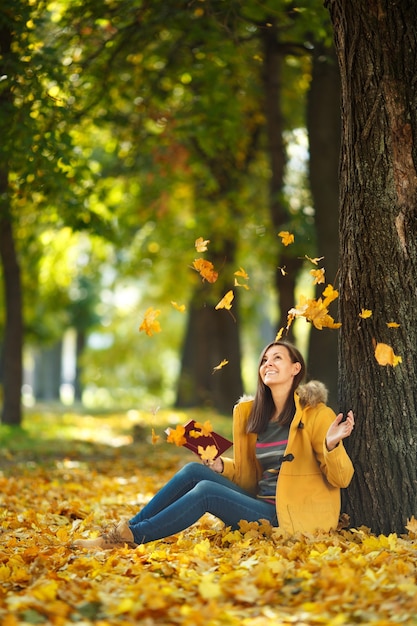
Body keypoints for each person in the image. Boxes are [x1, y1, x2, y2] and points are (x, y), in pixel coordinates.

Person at [72, 340, 354, 550]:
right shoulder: (254, 417)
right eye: (264, 359)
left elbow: (342, 478)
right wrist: (222, 466)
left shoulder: (316, 414)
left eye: (277, 358)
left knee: (206, 491)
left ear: (296, 368)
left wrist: (331, 445)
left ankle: (134, 536)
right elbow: (247, 476)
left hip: (290, 517)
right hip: (257, 506)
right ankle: (123, 532)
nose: (268, 363)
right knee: (194, 472)